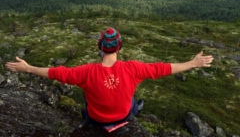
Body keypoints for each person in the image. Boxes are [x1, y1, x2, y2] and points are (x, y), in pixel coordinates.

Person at [6, 27, 213, 127]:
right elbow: (162, 68)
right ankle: (135, 109)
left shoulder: (85, 72)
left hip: (96, 119)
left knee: (86, 104)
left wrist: (29, 68)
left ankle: (91, 117)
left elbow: (56, 73)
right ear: (119, 47)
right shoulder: (133, 68)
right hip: (122, 116)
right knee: (132, 101)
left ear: (100, 47)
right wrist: (193, 63)